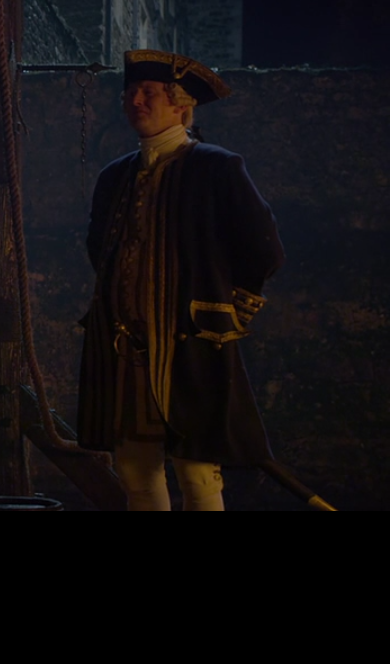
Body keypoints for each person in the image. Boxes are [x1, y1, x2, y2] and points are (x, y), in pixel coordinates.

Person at [77, 49, 284, 511]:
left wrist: (227, 309)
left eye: (149, 92)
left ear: (180, 104)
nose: (135, 100)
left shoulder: (216, 167)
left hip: (191, 343)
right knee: (135, 468)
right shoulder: (114, 176)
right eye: (131, 92)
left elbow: (264, 248)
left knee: (198, 470)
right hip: (124, 346)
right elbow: (99, 249)